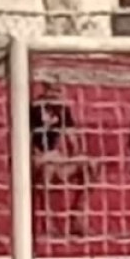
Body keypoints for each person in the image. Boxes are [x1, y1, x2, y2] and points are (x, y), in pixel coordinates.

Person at [30, 79, 88, 238]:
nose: (58, 94)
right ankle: (48, 224)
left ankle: (77, 215)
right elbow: (25, 140)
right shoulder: (33, 109)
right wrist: (41, 156)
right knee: (47, 168)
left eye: (59, 90)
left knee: (90, 165)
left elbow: (72, 138)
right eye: (54, 90)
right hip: (36, 157)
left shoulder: (62, 110)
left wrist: (76, 156)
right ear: (46, 90)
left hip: (55, 156)